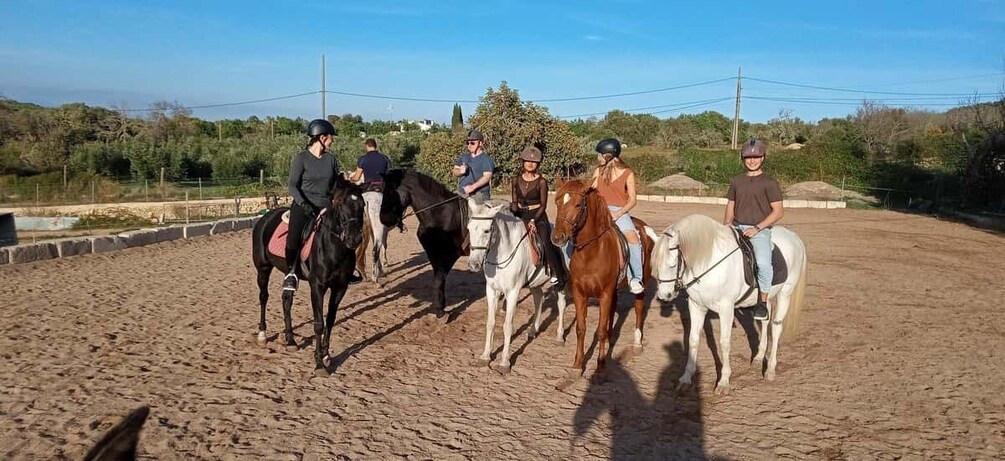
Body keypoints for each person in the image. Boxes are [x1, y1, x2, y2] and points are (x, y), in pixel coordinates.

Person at [284, 119, 361, 291]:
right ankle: (291, 274)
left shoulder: (331, 160)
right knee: (293, 238)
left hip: (326, 205)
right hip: (303, 204)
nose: (333, 140)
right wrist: (303, 203)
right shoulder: (301, 158)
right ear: (321, 137)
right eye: (331, 137)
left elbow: (335, 184)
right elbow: (292, 185)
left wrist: (346, 184)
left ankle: (347, 270)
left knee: (346, 232)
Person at [724, 138, 784, 321]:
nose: (752, 160)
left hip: (759, 229)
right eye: (748, 157)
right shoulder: (736, 181)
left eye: (756, 157)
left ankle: (763, 303)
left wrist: (757, 228)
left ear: (763, 158)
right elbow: (730, 206)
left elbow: (778, 211)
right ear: (743, 159)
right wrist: (726, 226)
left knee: (764, 264)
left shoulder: (769, 182)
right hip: (736, 226)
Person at [510, 145, 567, 290]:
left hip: (538, 215)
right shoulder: (515, 180)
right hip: (520, 215)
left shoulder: (542, 182)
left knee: (546, 241)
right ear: (522, 161)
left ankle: (558, 274)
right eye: (528, 160)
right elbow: (515, 201)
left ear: (538, 164)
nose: (530, 163)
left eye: (534, 162)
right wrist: (512, 210)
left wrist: (533, 221)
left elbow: (543, 205)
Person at [591, 138, 644, 294]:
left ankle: (636, 278)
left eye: (599, 155)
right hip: (599, 210)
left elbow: (633, 200)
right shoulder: (598, 171)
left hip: (619, 211)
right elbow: (592, 191)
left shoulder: (628, 173)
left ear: (607, 155)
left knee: (633, 238)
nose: (597, 158)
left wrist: (618, 213)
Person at [451, 129, 495, 201]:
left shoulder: (486, 159)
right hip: (461, 192)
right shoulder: (463, 157)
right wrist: (460, 171)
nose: (469, 145)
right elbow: (454, 172)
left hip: (480, 194)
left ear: (480, 143)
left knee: (471, 207)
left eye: (472, 143)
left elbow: (487, 177)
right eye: (467, 143)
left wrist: (473, 187)